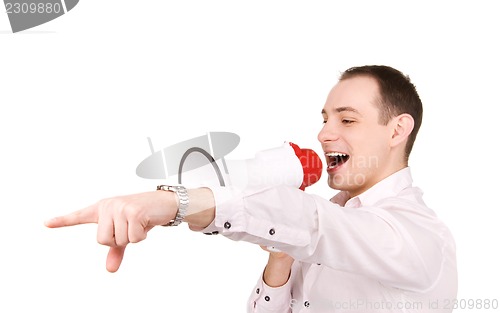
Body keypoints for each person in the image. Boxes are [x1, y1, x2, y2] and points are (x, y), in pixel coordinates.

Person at [45, 65, 458, 312]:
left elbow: (313, 223)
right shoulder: (325, 220)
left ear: (398, 129)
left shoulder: (420, 236)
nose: (323, 132)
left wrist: (177, 203)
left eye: (346, 120)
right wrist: (279, 262)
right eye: (325, 118)